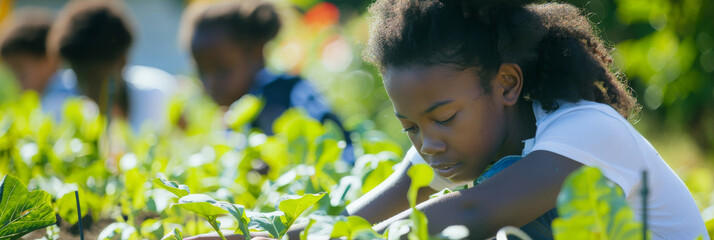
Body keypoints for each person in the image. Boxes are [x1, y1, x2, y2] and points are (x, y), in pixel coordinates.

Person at [190, 0, 709, 239]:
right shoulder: (462, 143)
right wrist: (269, 238)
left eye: (442, 118)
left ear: (507, 84)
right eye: (411, 126)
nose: (427, 144)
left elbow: (479, 209)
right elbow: (362, 215)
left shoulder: (583, 128)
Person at [182, 0, 353, 162]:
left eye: (221, 69)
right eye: (202, 71)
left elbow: (336, 143)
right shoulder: (230, 122)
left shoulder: (290, 92)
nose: (210, 82)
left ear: (256, 53)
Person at [47, 0, 176, 132]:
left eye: (97, 82)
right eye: (80, 79)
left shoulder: (160, 99)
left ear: (122, 62)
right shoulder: (60, 112)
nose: (89, 92)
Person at [0, 8, 75, 115]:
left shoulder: (59, 102)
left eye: (21, 72)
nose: (18, 83)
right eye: (15, 74)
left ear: (49, 59)